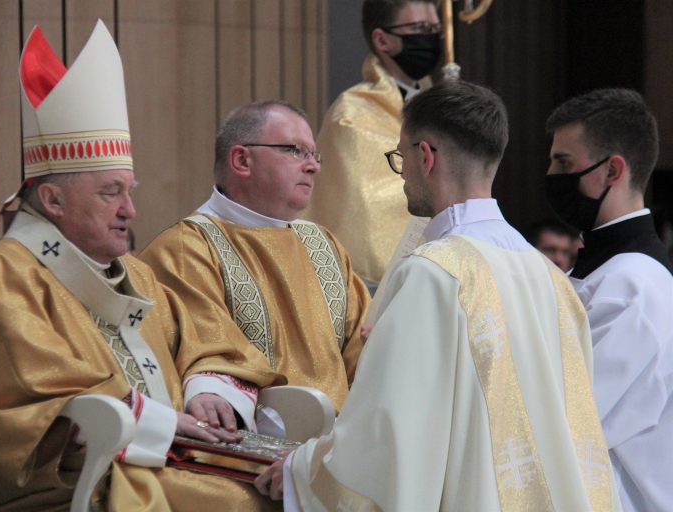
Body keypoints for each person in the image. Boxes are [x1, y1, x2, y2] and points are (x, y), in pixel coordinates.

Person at [0, 20, 278, 511]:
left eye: (130, 191)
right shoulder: (2, 273)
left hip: (163, 460)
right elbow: (22, 397)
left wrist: (203, 386)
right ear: (53, 200)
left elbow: (204, 338)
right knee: (243, 502)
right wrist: (158, 423)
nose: (130, 210)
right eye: (110, 193)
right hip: (71, 482)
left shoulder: (136, 274)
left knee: (290, 484)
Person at [256, 81, 619, 511]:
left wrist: (302, 469)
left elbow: (389, 435)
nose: (402, 174)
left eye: (400, 158)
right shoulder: (554, 281)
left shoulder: (434, 273)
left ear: (425, 156)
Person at [139, 100, 370, 435]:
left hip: (341, 442)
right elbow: (208, 351)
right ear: (242, 160)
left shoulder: (324, 246)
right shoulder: (186, 248)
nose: (313, 167)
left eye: (314, 155)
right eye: (295, 151)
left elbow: (363, 349)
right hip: (248, 443)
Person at [545, 87, 673, 512]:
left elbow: (567, 420)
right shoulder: (604, 272)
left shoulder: (633, 288)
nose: (551, 174)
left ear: (612, 170)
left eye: (564, 163)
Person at [304, 0, 442, 288]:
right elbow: (362, 214)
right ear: (382, 40)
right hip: (379, 286)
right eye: (420, 28)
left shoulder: (443, 108)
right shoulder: (351, 115)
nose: (431, 38)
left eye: (435, 29)